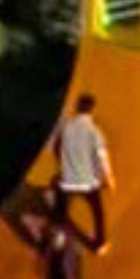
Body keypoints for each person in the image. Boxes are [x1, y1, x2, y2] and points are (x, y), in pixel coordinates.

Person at [52, 91, 113, 251]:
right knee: (98, 213)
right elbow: (102, 156)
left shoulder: (66, 126)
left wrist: (62, 165)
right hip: (87, 182)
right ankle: (100, 243)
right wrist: (110, 179)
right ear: (91, 110)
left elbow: (57, 147)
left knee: (60, 208)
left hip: (67, 181)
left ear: (77, 107)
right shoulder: (94, 131)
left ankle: (59, 237)